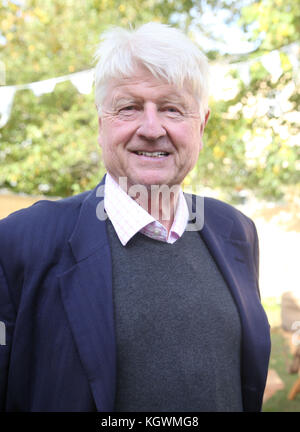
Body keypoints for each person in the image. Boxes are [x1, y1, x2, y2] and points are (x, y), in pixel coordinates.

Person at [0, 22, 270, 412]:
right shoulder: (20, 244)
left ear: (202, 125)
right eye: (129, 107)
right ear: (100, 124)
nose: (150, 128)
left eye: (172, 109)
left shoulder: (236, 231)